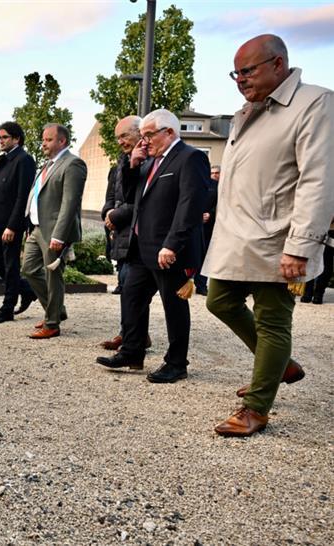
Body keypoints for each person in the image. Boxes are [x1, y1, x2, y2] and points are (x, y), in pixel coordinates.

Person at [204, 34, 333, 437]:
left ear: (278, 64)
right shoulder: (250, 111)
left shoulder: (314, 103)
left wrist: (302, 244)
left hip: (281, 236)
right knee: (219, 299)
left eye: (248, 70)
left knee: (273, 320)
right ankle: (281, 363)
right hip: (240, 235)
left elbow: (318, 178)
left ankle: (256, 407)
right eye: (236, 72)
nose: (239, 79)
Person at [96, 109, 209, 383]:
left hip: (170, 250)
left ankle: (176, 363)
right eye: (142, 136)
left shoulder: (190, 157)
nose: (144, 141)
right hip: (142, 248)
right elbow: (132, 194)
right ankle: (132, 352)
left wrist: (172, 244)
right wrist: (132, 164)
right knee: (131, 297)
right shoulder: (149, 161)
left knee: (174, 307)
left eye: (148, 135)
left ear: (168, 132)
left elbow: (190, 205)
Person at [21, 123, 87, 339]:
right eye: (43, 139)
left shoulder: (73, 164)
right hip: (37, 229)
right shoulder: (47, 164)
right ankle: (56, 309)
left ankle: (52, 324)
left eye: (48, 140)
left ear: (62, 141)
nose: (43, 144)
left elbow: (70, 203)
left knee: (53, 276)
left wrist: (59, 236)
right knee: (29, 269)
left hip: (54, 232)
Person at [101, 115, 150, 352]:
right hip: (121, 235)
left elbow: (139, 201)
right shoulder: (118, 165)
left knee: (134, 289)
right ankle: (130, 333)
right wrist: (107, 214)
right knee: (125, 284)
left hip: (141, 235)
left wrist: (115, 216)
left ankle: (133, 337)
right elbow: (111, 198)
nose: (120, 141)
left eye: (124, 135)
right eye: (118, 137)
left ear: (140, 134)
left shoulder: (150, 162)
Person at [0, 122, 37, 323]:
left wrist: (13, 225)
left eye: (4, 137)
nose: (1, 141)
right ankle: (27, 289)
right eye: (0, 137)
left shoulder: (24, 160)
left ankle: (7, 308)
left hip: (9, 225)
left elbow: (23, 196)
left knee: (11, 264)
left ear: (16, 139)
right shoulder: (4, 161)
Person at [194, 165, 220, 295]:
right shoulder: (196, 183)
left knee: (205, 256)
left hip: (210, 227)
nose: (214, 175)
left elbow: (220, 205)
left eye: (217, 173)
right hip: (194, 225)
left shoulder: (218, 187)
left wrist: (210, 214)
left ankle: (201, 285)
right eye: (212, 173)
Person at [300, 217, 333, 304]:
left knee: (323, 263)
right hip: (321, 230)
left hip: (323, 230)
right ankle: (312, 294)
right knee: (318, 262)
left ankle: (315, 294)